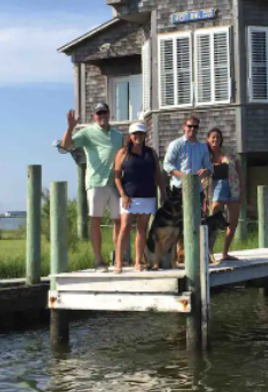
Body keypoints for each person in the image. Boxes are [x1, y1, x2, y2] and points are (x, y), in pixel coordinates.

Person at [62, 103, 124, 271]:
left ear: (109, 113)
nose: (102, 115)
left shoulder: (118, 135)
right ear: (94, 116)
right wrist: (70, 128)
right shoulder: (87, 132)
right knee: (95, 220)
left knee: (119, 221)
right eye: (99, 113)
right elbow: (66, 145)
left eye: (105, 111)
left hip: (115, 183)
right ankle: (98, 260)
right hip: (95, 182)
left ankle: (118, 257)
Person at [114, 122, 165, 273]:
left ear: (145, 136)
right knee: (124, 228)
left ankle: (138, 262)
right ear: (130, 136)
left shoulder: (151, 152)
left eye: (141, 134)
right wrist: (123, 194)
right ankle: (118, 263)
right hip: (129, 196)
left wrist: (163, 192)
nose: (138, 136)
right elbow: (116, 177)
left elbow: (158, 174)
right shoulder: (123, 153)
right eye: (135, 134)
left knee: (142, 229)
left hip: (147, 195)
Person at [204, 128, 243, 261]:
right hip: (216, 188)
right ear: (208, 139)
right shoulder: (205, 154)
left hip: (233, 187)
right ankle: (209, 254)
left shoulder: (230, 151)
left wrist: (242, 189)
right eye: (213, 137)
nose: (215, 140)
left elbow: (239, 170)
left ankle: (225, 253)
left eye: (218, 138)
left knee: (233, 222)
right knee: (213, 222)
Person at [163, 116, 211, 195]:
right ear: (184, 127)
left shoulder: (203, 147)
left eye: (195, 127)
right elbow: (167, 164)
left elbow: (209, 167)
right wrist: (183, 176)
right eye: (190, 126)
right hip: (179, 189)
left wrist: (205, 171)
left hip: (197, 190)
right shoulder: (176, 144)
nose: (192, 129)